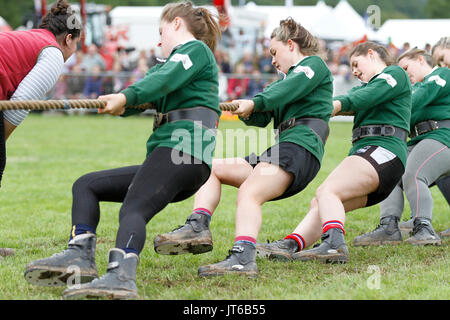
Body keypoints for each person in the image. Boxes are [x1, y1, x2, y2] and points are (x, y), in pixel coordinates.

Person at [24, 1, 221, 299]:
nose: (159, 40)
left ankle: (121, 275)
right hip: (180, 157)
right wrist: (120, 103)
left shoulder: (194, 51)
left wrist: (125, 95)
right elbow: (152, 93)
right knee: (87, 185)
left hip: (182, 151)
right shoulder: (180, 63)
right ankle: (80, 254)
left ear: (177, 23)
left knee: (134, 208)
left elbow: (160, 81)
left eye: (161, 31)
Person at [153, 17, 333, 278]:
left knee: (249, 192)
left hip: (299, 148)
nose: (272, 60)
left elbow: (281, 93)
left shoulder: (312, 66)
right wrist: (246, 109)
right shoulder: (286, 81)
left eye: (274, 52)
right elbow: (262, 116)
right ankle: (197, 226)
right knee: (211, 169)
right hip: (285, 150)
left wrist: (257, 101)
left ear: (291, 44)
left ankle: (242, 258)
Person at [256, 41, 412, 263]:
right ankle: (291, 244)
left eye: (356, 64)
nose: (354, 71)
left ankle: (333, 245)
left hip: (382, 151)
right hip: (380, 159)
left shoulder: (393, 74)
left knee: (327, 191)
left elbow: (361, 98)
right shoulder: (368, 87)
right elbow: (357, 97)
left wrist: (335, 105)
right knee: (322, 202)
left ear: (371, 54)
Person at [0, 0, 81, 260]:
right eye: (77, 43)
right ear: (68, 38)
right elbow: (18, 107)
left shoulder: (30, 37)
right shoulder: (53, 53)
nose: (75, 50)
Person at [353, 48, 449, 246]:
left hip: (443, 136)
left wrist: (393, 102)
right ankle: (388, 227)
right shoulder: (414, 87)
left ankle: (424, 228)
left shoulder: (441, 74)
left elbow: (418, 99)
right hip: (420, 140)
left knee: (413, 173)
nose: (405, 74)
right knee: (390, 170)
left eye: (406, 68)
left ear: (421, 60)